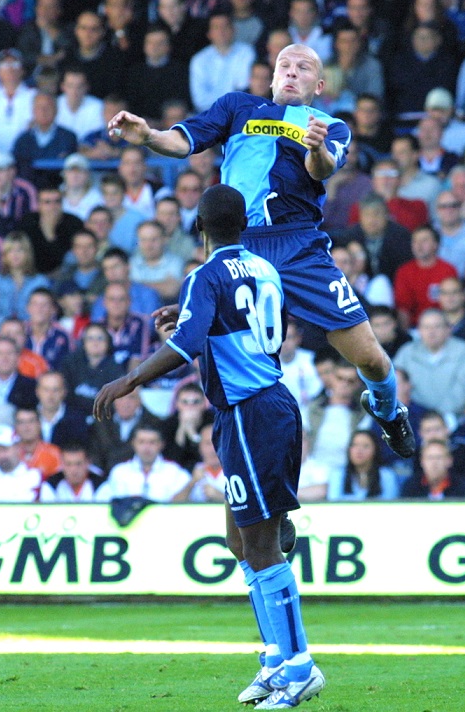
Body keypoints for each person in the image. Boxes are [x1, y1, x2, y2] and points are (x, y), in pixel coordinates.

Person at [106, 41, 415, 461]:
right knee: (241, 371)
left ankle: (387, 410)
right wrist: (148, 136)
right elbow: (184, 141)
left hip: (300, 246)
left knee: (372, 360)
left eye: (303, 67)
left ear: (319, 85)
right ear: (272, 77)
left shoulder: (330, 126)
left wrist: (315, 148)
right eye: (284, 65)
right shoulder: (237, 107)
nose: (291, 72)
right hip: (241, 248)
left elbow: (321, 169)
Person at [94, 184, 325, 709]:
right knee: (238, 541)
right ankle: (275, 658)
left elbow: (187, 344)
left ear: (198, 227)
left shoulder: (204, 276)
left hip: (249, 410)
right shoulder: (265, 270)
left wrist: (129, 379)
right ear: (244, 224)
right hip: (268, 405)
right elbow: (250, 327)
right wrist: (193, 312)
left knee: (261, 545)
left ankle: (300, 667)